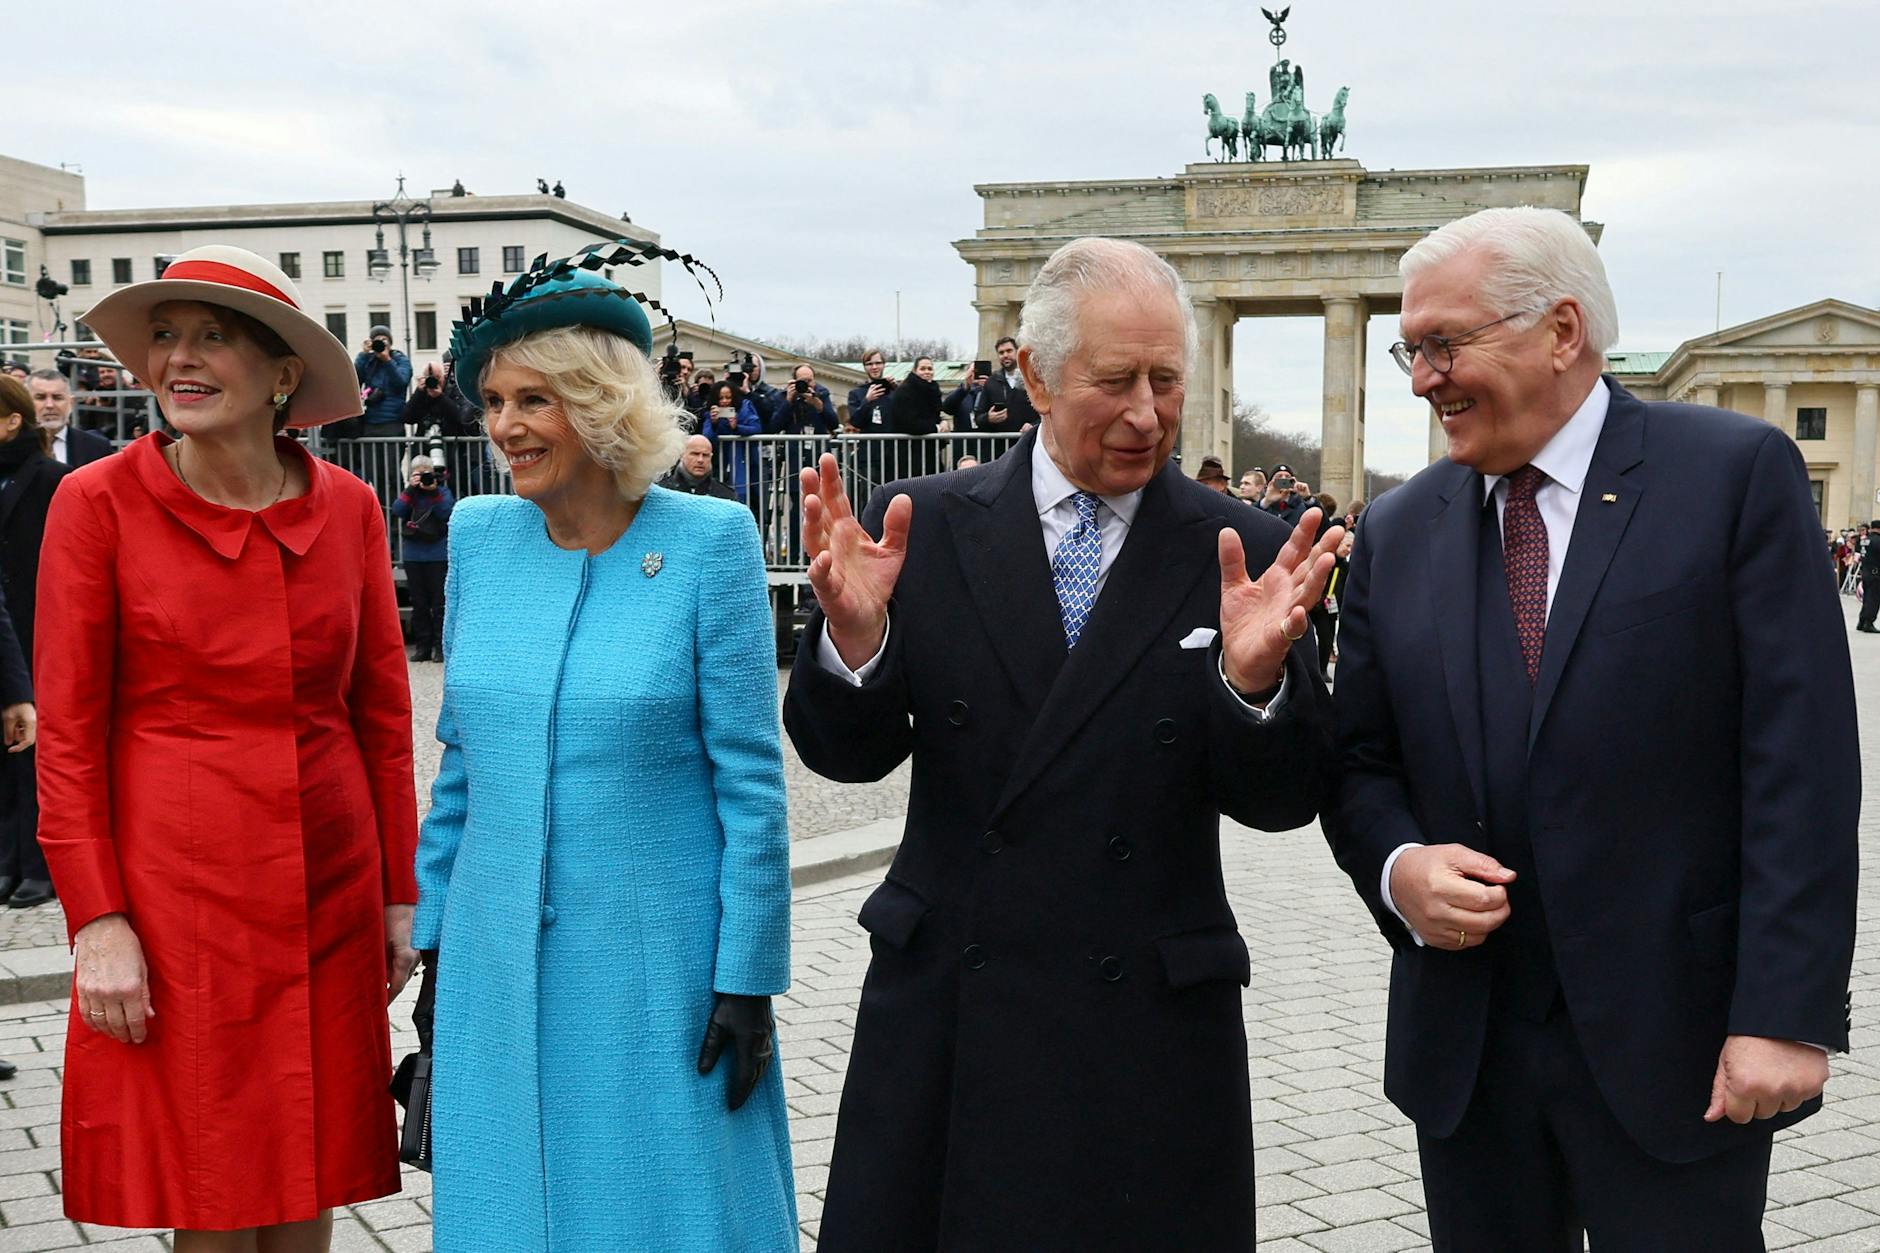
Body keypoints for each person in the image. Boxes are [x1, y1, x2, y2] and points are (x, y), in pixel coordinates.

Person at [784, 236, 1343, 1249]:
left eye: (1165, 379)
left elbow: (1280, 798)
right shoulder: (926, 526)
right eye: (1114, 379)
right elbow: (846, 755)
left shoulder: (1242, 550)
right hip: (954, 1008)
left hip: (1149, 1029)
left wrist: (1248, 682)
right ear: (1033, 373)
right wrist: (854, 643)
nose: (1145, 413)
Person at [1328, 207, 1859, 1249]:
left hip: (1680, 1042)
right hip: (1468, 1051)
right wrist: (1398, 867)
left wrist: (1784, 1010)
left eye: (1442, 343)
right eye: (1409, 346)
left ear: (1559, 329)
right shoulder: (1396, 527)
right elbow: (1358, 762)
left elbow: (1798, 764)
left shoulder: (1730, 476)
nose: (1419, 376)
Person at [36, 245, 419, 1248]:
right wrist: (98, 920)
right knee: (210, 1182)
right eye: (164, 335)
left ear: (282, 373)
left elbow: (381, 719)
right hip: (175, 900)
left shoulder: (351, 509)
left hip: (327, 893)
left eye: (212, 336)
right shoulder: (94, 503)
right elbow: (67, 738)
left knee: (308, 1168)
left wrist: (397, 891)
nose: (178, 360)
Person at [415, 254, 797, 1251]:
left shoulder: (708, 543)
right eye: (494, 399)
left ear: (600, 403)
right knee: (511, 1208)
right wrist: (434, 944)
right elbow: (460, 760)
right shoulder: (480, 536)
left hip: (656, 964)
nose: (503, 427)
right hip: (494, 957)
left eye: (532, 398)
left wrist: (747, 973)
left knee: (667, 1210)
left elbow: (750, 781)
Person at [0, 377, 67, 909]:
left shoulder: (50, 478)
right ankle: (7, 861)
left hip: (34, 630)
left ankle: (38, 867)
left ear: (11, 420)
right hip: (5, 633)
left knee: (33, 756)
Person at [391, 455, 454, 663]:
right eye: (419, 474)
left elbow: (446, 512)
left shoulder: (442, 492)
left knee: (439, 604)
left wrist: (433, 491)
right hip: (414, 555)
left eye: (426, 473)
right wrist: (411, 489)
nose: (424, 478)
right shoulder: (410, 495)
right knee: (418, 603)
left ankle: (440, 648)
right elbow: (397, 510)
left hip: (437, 555)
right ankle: (422, 647)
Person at [27, 369, 114, 467]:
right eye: (40, 397)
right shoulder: (13, 445)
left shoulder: (97, 447)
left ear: (71, 403)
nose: (50, 405)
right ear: (26, 402)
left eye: (57, 397)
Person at [888, 356, 944, 478]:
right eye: (922, 369)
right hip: (909, 454)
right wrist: (937, 429)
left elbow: (936, 415)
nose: (927, 372)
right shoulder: (905, 391)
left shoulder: (932, 390)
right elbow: (909, 423)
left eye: (930, 368)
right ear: (915, 371)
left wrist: (942, 424)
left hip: (930, 452)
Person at [354, 325, 413, 433]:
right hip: (370, 421)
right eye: (377, 340)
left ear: (390, 343)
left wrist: (387, 361)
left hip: (392, 421)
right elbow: (354, 382)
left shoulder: (400, 360)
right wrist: (363, 355)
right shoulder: (368, 361)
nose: (381, 343)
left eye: (384, 339)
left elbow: (401, 382)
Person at [975, 334, 1039, 433]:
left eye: (1009, 351)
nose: (1005, 355)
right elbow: (978, 417)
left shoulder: (1032, 378)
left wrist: (1033, 425)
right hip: (1000, 445)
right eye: (1001, 352)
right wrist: (988, 418)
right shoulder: (991, 382)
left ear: (1017, 352)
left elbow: (1045, 413)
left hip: (1027, 442)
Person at [660, 433, 738, 501]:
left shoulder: (725, 496)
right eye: (695, 454)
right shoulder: (662, 491)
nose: (700, 460)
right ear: (682, 455)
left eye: (705, 455)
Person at [846, 348, 894, 436]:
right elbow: (856, 422)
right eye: (869, 364)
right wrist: (867, 400)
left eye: (878, 363)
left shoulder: (894, 390)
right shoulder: (855, 394)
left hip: (892, 445)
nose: (874, 367)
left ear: (884, 365)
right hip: (869, 445)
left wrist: (896, 388)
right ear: (864, 367)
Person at [1858, 518, 1880, 632]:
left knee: (1867, 597)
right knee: (1874, 598)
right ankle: (1868, 622)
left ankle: (1861, 621)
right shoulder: (1878, 541)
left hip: (1866, 571)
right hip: (1875, 573)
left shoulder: (1865, 540)